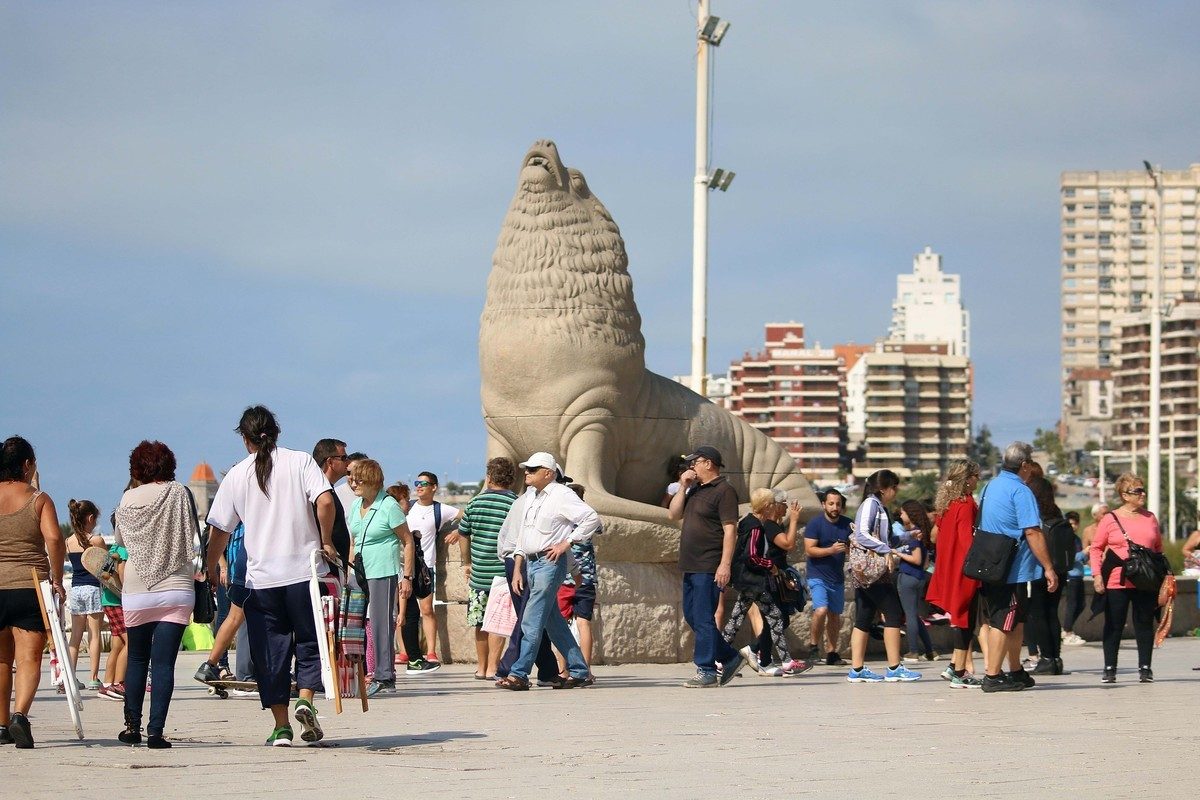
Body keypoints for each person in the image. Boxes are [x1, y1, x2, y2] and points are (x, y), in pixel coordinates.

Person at [206, 406, 338, 747]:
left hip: (261, 579)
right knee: (310, 641)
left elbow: (220, 528)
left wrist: (209, 566)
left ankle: (281, 727)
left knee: (271, 653)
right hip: (305, 573)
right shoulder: (300, 461)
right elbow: (325, 501)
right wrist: (325, 539)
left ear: (246, 440)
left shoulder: (237, 475)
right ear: (276, 432)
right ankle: (306, 698)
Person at [112, 440, 199, 748]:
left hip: (137, 587)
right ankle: (156, 732)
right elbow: (190, 529)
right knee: (163, 664)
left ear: (137, 467)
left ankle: (131, 726)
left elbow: (122, 541)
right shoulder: (180, 493)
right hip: (176, 587)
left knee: (136, 657)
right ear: (169, 464)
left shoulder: (127, 499)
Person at [494, 452, 598, 691]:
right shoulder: (532, 497)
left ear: (549, 473)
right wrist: (518, 567)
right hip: (531, 564)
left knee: (531, 620)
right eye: (527, 469)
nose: (527, 472)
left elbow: (590, 518)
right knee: (554, 624)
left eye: (533, 469)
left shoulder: (562, 495)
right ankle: (580, 671)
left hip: (549, 564)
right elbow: (523, 535)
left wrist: (567, 543)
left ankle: (519, 673)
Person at [977, 442, 1058, 693]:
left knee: (1015, 621)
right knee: (1004, 621)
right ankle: (992, 675)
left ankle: (1015, 670)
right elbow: (1032, 531)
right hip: (1015, 569)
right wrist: (1048, 567)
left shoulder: (989, 486)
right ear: (1024, 465)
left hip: (992, 564)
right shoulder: (1021, 491)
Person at [0, 436, 65, 748]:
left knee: (1, 660)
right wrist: (55, 577)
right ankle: (19, 716)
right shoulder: (39, 499)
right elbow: (54, 538)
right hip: (28, 585)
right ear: (27, 465)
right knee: (28, 658)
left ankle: (0, 726)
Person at [668, 445, 746, 688]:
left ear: (709, 463)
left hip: (709, 564)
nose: (692, 467)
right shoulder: (694, 490)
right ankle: (730, 657)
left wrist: (725, 564)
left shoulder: (724, 491)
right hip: (691, 564)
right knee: (693, 615)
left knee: (703, 616)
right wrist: (682, 487)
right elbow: (673, 514)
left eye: (696, 462)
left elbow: (730, 530)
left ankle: (706, 670)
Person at [347, 459, 415, 696]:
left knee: (380, 623)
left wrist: (407, 576)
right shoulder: (356, 506)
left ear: (372, 481)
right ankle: (358, 672)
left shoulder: (388, 506)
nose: (353, 483)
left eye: (359, 479)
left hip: (382, 570)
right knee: (353, 623)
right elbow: (353, 540)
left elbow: (407, 541)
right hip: (359, 571)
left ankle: (385, 675)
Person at [723, 489, 809, 677]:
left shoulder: (749, 522)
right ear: (767, 506)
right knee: (777, 617)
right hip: (753, 581)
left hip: (746, 581)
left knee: (735, 621)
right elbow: (752, 556)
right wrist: (770, 565)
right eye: (773, 504)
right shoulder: (756, 527)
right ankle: (785, 662)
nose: (776, 507)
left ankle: (718, 659)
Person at [846, 470, 920, 683]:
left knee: (864, 617)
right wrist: (886, 551)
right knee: (894, 613)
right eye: (894, 487)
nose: (896, 491)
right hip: (873, 572)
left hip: (867, 572)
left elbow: (886, 539)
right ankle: (894, 667)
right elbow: (862, 535)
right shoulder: (871, 505)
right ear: (883, 489)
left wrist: (907, 536)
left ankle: (857, 670)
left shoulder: (879, 507)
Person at [1090, 473, 1164, 683]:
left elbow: (1158, 548)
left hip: (1146, 580)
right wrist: (1097, 575)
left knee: (1144, 623)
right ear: (1124, 495)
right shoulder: (1110, 519)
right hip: (1117, 580)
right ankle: (1110, 667)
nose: (1142, 494)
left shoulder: (1150, 517)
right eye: (1137, 491)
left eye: (1143, 490)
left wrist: (1163, 577)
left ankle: (1145, 667)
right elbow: (1096, 548)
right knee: (1114, 623)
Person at [926, 459, 986, 688]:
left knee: (960, 619)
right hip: (965, 570)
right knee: (965, 621)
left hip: (948, 568)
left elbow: (935, 535)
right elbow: (966, 540)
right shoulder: (967, 504)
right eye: (975, 476)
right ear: (968, 479)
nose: (977, 480)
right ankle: (959, 672)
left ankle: (954, 665)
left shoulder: (947, 504)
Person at [458, 457, 517, 680]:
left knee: (480, 621)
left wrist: (467, 562)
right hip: (504, 573)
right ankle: (494, 667)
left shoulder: (474, 503)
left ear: (489, 477)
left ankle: (481, 668)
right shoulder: (516, 503)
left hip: (479, 573)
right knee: (498, 622)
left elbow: (463, 532)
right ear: (511, 479)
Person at [401, 471, 460, 672]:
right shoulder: (407, 507)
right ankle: (405, 652)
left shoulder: (440, 509)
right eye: (417, 483)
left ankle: (431, 651)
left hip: (426, 565)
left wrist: (458, 531)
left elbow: (466, 516)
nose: (419, 486)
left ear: (434, 487)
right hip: (404, 565)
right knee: (403, 611)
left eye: (424, 483)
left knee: (426, 609)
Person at [193, 522, 256, 692]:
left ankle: (211, 665)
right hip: (240, 566)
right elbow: (216, 532)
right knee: (235, 616)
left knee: (234, 616)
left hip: (239, 564)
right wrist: (220, 566)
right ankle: (236, 670)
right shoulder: (237, 498)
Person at [1024, 477, 1072, 675]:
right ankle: (1056, 658)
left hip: (1040, 568)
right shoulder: (1056, 513)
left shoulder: (1035, 516)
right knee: (1052, 612)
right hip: (1060, 569)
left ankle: (1046, 658)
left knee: (1039, 614)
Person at [555, 482, 599, 680]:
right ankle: (586, 670)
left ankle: (563, 670)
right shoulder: (589, 521)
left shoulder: (561, 523)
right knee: (584, 624)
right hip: (587, 579)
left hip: (564, 580)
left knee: (560, 624)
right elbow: (600, 528)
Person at [803, 489, 851, 666]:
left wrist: (849, 549)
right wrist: (830, 550)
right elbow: (809, 549)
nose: (835, 507)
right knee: (821, 610)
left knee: (834, 615)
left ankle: (832, 652)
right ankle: (813, 647)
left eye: (838, 504)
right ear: (824, 504)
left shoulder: (848, 524)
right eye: (831, 503)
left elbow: (855, 545)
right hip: (817, 576)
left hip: (837, 577)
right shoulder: (815, 524)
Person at [64, 499, 105, 691]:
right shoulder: (95, 540)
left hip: (76, 589)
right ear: (90, 518)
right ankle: (94, 677)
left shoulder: (69, 542)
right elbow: (106, 566)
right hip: (93, 588)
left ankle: (70, 677)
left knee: (75, 637)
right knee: (94, 635)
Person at [895, 500, 938, 663]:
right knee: (914, 615)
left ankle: (913, 651)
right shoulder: (921, 533)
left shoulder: (914, 534)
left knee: (910, 616)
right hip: (918, 577)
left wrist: (897, 554)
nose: (900, 515)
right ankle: (930, 650)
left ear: (910, 514)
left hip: (909, 576)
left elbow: (917, 558)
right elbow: (925, 561)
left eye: (902, 512)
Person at [98, 537, 129, 700]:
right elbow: (122, 579)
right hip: (117, 602)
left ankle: (107, 684)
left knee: (117, 645)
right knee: (131, 642)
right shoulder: (123, 550)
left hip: (108, 601)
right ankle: (118, 684)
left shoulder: (113, 549)